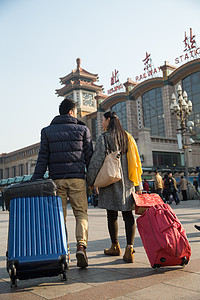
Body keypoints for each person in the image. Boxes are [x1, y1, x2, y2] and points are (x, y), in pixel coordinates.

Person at [32, 98, 93, 268]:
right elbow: (89, 157)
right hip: (77, 179)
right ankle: (81, 245)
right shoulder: (82, 129)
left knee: (60, 217)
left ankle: (63, 251)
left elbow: (42, 157)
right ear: (72, 112)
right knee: (81, 213)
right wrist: (93, 179)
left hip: (56, 180)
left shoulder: (47, 131)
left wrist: (35, 179)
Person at [87, 111, 143, 263]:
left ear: (108, 120)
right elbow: (136, 162)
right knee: (128, 215)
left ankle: (115, 246)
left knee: (111, 215)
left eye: (103, 120)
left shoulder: (104, 137)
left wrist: (91, 181)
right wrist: (139, 185)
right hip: (128, 182)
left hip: (110, 181)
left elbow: (97, 160)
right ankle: (129, 248)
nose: (102, 123)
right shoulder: (128, 137)